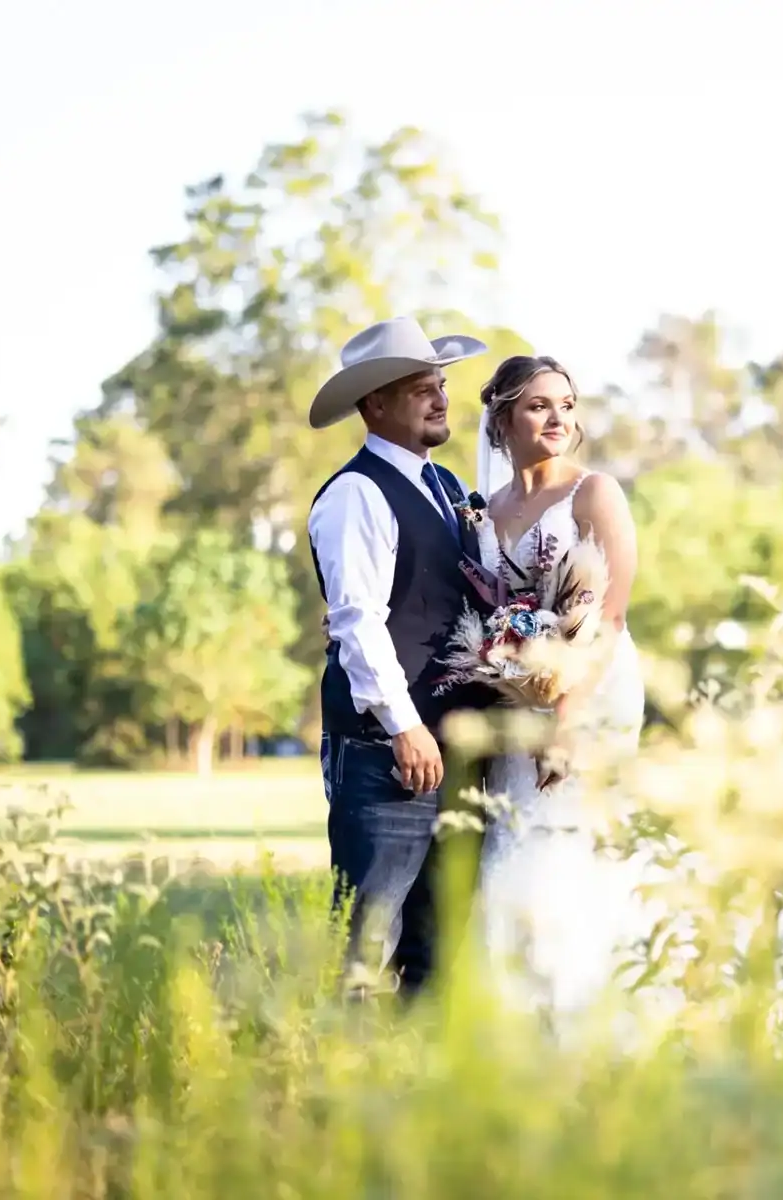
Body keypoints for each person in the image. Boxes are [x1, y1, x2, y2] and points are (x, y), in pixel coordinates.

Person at [304, 315, 501, 1000]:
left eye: (440, 385)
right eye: (419, 388)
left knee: (437, 947)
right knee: (368, 946)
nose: (439, 398)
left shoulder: (448, 489)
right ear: (375, 404)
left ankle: (416, 1093)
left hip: (456, 750)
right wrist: (404, 724)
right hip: (387, 755)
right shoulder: (356, 495)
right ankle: (346, 1090)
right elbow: (359, 621)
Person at [467, 355, 654, 1018]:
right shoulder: (485, 512)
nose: (558, 418)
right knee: (517, 830)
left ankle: (593, 1000)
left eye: (566, 405)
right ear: (503, 417)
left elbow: (608, 616)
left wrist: (567, 717)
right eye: (539, 405)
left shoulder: (594, 493)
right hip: (518, 701)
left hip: (593, 695)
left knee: (573, 836)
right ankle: (524, 1005)